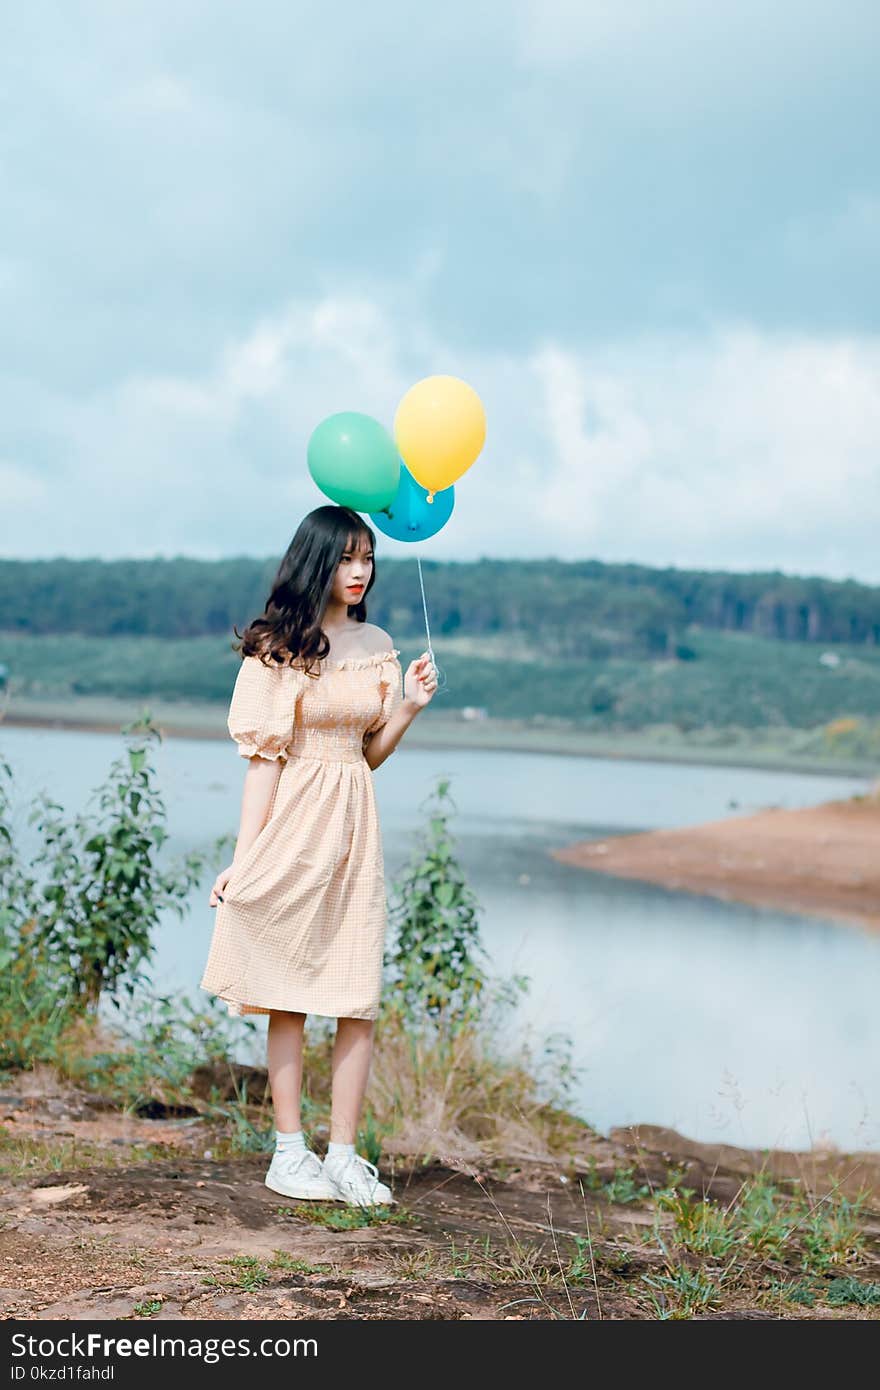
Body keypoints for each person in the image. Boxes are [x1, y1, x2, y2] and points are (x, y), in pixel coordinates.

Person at [200, 504, 438, 1207]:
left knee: (355, 991)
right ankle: (287, 1152)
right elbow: (263, 764)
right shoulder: (279, 645)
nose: (359, 571)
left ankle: (343, 1155)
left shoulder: (379, 642)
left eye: (367, 557)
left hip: (354, 824)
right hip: (295, 822)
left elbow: (364, 757)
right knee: (290, 991)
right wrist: (245, 859)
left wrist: (408, 708)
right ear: (317, 562)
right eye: (346, 558)